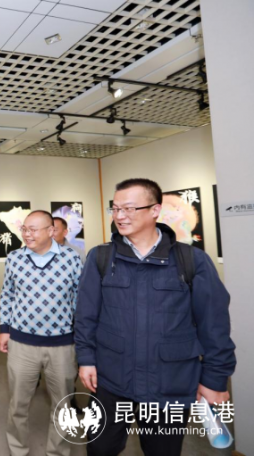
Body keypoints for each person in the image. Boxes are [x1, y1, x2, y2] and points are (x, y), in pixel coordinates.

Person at [75, 178, 236, 456]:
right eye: (115, 209)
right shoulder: (101, 258)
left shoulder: (191, 260)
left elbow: (214, 325)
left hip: (169, 384)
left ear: (155, 210)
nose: (120, 216)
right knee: (100, 449)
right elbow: (86, 315)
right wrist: (86, 358)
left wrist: (214, 378)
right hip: (111, 380)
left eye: (129, 208)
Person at [0, 210, 83, 456]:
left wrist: (82, 338)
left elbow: (79, 299)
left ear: (51, 231)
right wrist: (4, 329)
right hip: (22, 344)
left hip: (63, 345)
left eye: (33, 229)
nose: (27, 234)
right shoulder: (15, 258)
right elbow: (7, 295)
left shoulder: (71, 258)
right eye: (24, 229)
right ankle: (18, 450)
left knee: (63, 405)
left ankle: (57, 451)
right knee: (18, 404)